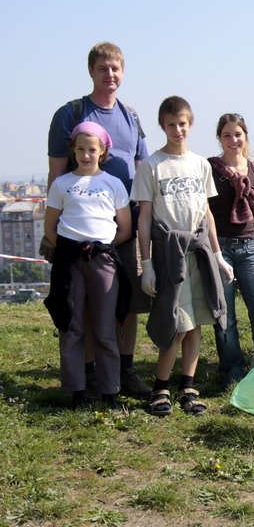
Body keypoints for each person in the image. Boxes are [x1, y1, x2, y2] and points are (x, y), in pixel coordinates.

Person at [46, 42, 150, 399]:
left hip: (123, 225)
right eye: (103, 68)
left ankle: (126, 369)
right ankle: (88, 374)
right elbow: (57, 174)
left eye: (115, 69)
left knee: (128, 304)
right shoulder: (70, 113)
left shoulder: (131, 116)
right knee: (83, 305)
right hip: (78, 230)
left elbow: (142, 170)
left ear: (123, 72)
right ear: (91, 71)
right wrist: (56, 234)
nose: (110, 75)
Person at [131, 96, 234, 416]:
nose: (178, 130)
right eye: (172, 124)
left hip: (198, 254)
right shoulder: (152, 165)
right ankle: (161, 386)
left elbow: (207, 214)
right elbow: (144, 217)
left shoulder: (201, 164)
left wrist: (217, 255)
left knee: (198, 322)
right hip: (168, 255)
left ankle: (188, 384)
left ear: (191, 125)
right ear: (163, 126)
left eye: (183, 124)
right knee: (174, 322)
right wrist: (146, 263)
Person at [44, 123, 132, 412]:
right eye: (80, 149)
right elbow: (50, 226)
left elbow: (125, 229)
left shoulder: (113, 184)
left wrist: (102, 249)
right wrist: (71, 248)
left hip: (103, 259)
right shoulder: (61, 184)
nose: (86, 155)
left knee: (105, 328)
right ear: (73, 150)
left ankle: (110, 393)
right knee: (72, 325)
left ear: (102, 151)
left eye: (92, 149)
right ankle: (77, 391)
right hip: (70, 261)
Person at [208, 113, 254, 386]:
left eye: (237, 134)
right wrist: (215, 253)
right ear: (219, 138)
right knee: (225, 316)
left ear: (245, 136)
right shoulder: (210, 169)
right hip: (221, 247)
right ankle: (231, 371)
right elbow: (208, 216)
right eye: (227, 135)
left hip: (250, 248)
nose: (233, 140)